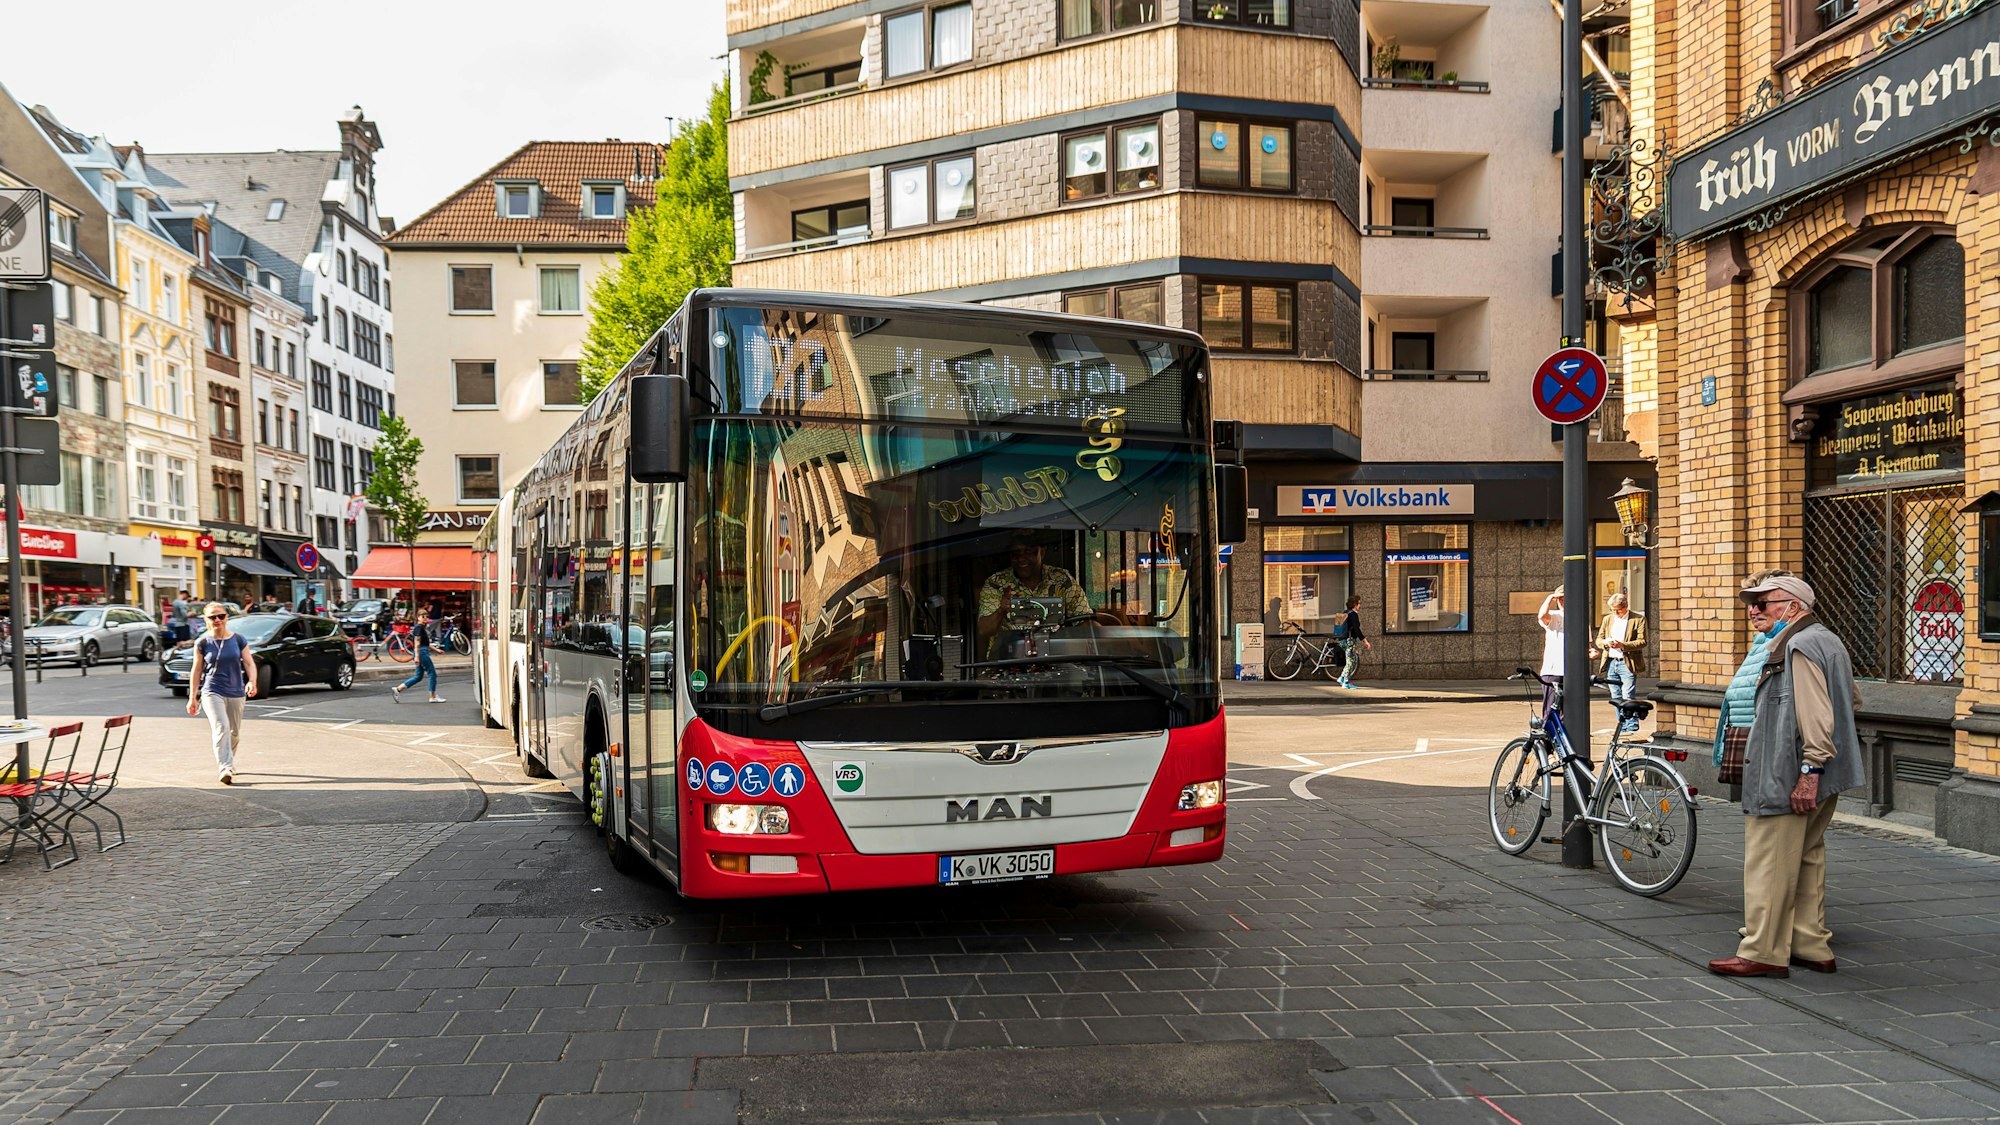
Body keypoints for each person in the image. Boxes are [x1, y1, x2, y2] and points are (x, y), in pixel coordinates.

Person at [1708, 572, 1863, 980]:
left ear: (1794, 606)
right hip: (1823, 769)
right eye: (1751, 603)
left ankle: (1763, 951)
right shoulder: (1827, 639)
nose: (1753, 610)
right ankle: (1811, 945)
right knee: (1808, 857)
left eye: (1764, 602)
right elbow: (1851, 698)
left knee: (1769, 862)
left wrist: (1809, 770)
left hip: (1788, 771)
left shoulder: (1796, 644)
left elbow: (1815, 713)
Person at [976, 532, 1092, 654]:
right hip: (1009, 662)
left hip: (1055, 659)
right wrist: (1001, 610)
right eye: (1015, 554)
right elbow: (984, 630)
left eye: (1029, 552)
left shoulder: (1061, 580)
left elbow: (1084, 620)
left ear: (1042, 551)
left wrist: (1103, 638)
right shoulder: (996, 583)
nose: (1021, 559)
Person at [185, 602, 257, 785]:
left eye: (221, 616)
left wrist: (252, 681)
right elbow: (196, 670)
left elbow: (248, 663)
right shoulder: (202, 642)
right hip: (212, 690)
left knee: (234, 733)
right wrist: (192, 697)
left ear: (227, 617)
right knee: (221, 727)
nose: (217, 620)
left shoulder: (238, 639)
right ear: (206, 620)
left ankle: (229, 761)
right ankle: (225, 767)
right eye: (212, 617)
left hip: (236, 691)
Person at [1591, 592, 1649, 734]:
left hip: (1627, 662)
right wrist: (1606, 643)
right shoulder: (1608, 619)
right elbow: (1599, 639)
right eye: (1613, 610)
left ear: (1626, 606)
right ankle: (1623, 724)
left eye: (1618, 609)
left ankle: (1631, 726)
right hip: (1611, 661)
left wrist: (1622, 645)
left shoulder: (1638, 619)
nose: (1616, 612)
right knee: (1615, 696)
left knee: (1628, 695)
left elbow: (1643, 641)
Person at [392, 615, 444, 703]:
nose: (425, 618)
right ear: (418, 617)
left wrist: (436, 650)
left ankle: (398, 689)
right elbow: (417, 642)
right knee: (432, 674)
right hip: (421, 653)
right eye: (423, 616)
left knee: (418, 676)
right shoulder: (418, 628)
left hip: (421, 652)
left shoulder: (421, 628)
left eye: (426, 617)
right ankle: (433, 696)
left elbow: (426, 643)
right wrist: (416, 656)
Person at [1536, 585, 1566, 715]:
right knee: (1551, 707)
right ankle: (1549, 732)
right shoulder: (1554, 615)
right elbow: (1542, 615)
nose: (1563, 602)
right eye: (1560, 599)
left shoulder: (1580, 618)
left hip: (1572, 671)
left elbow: (1587, 645)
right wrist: (1550, 598)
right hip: (1553, 669)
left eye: (1565, 598)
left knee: (1569, 709)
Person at [1336, 594, 1372, 689]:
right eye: (1359, 603)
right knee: (1351, 661)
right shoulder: (1353, 614)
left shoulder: (1345, 612)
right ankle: (1346, 682)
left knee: (1351, 660)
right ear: (1355, 604)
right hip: (1349, 640)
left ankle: (1342, 678)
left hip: (1341, 640)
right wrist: (1365, 641)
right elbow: (1356, 629)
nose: (1360, 605)